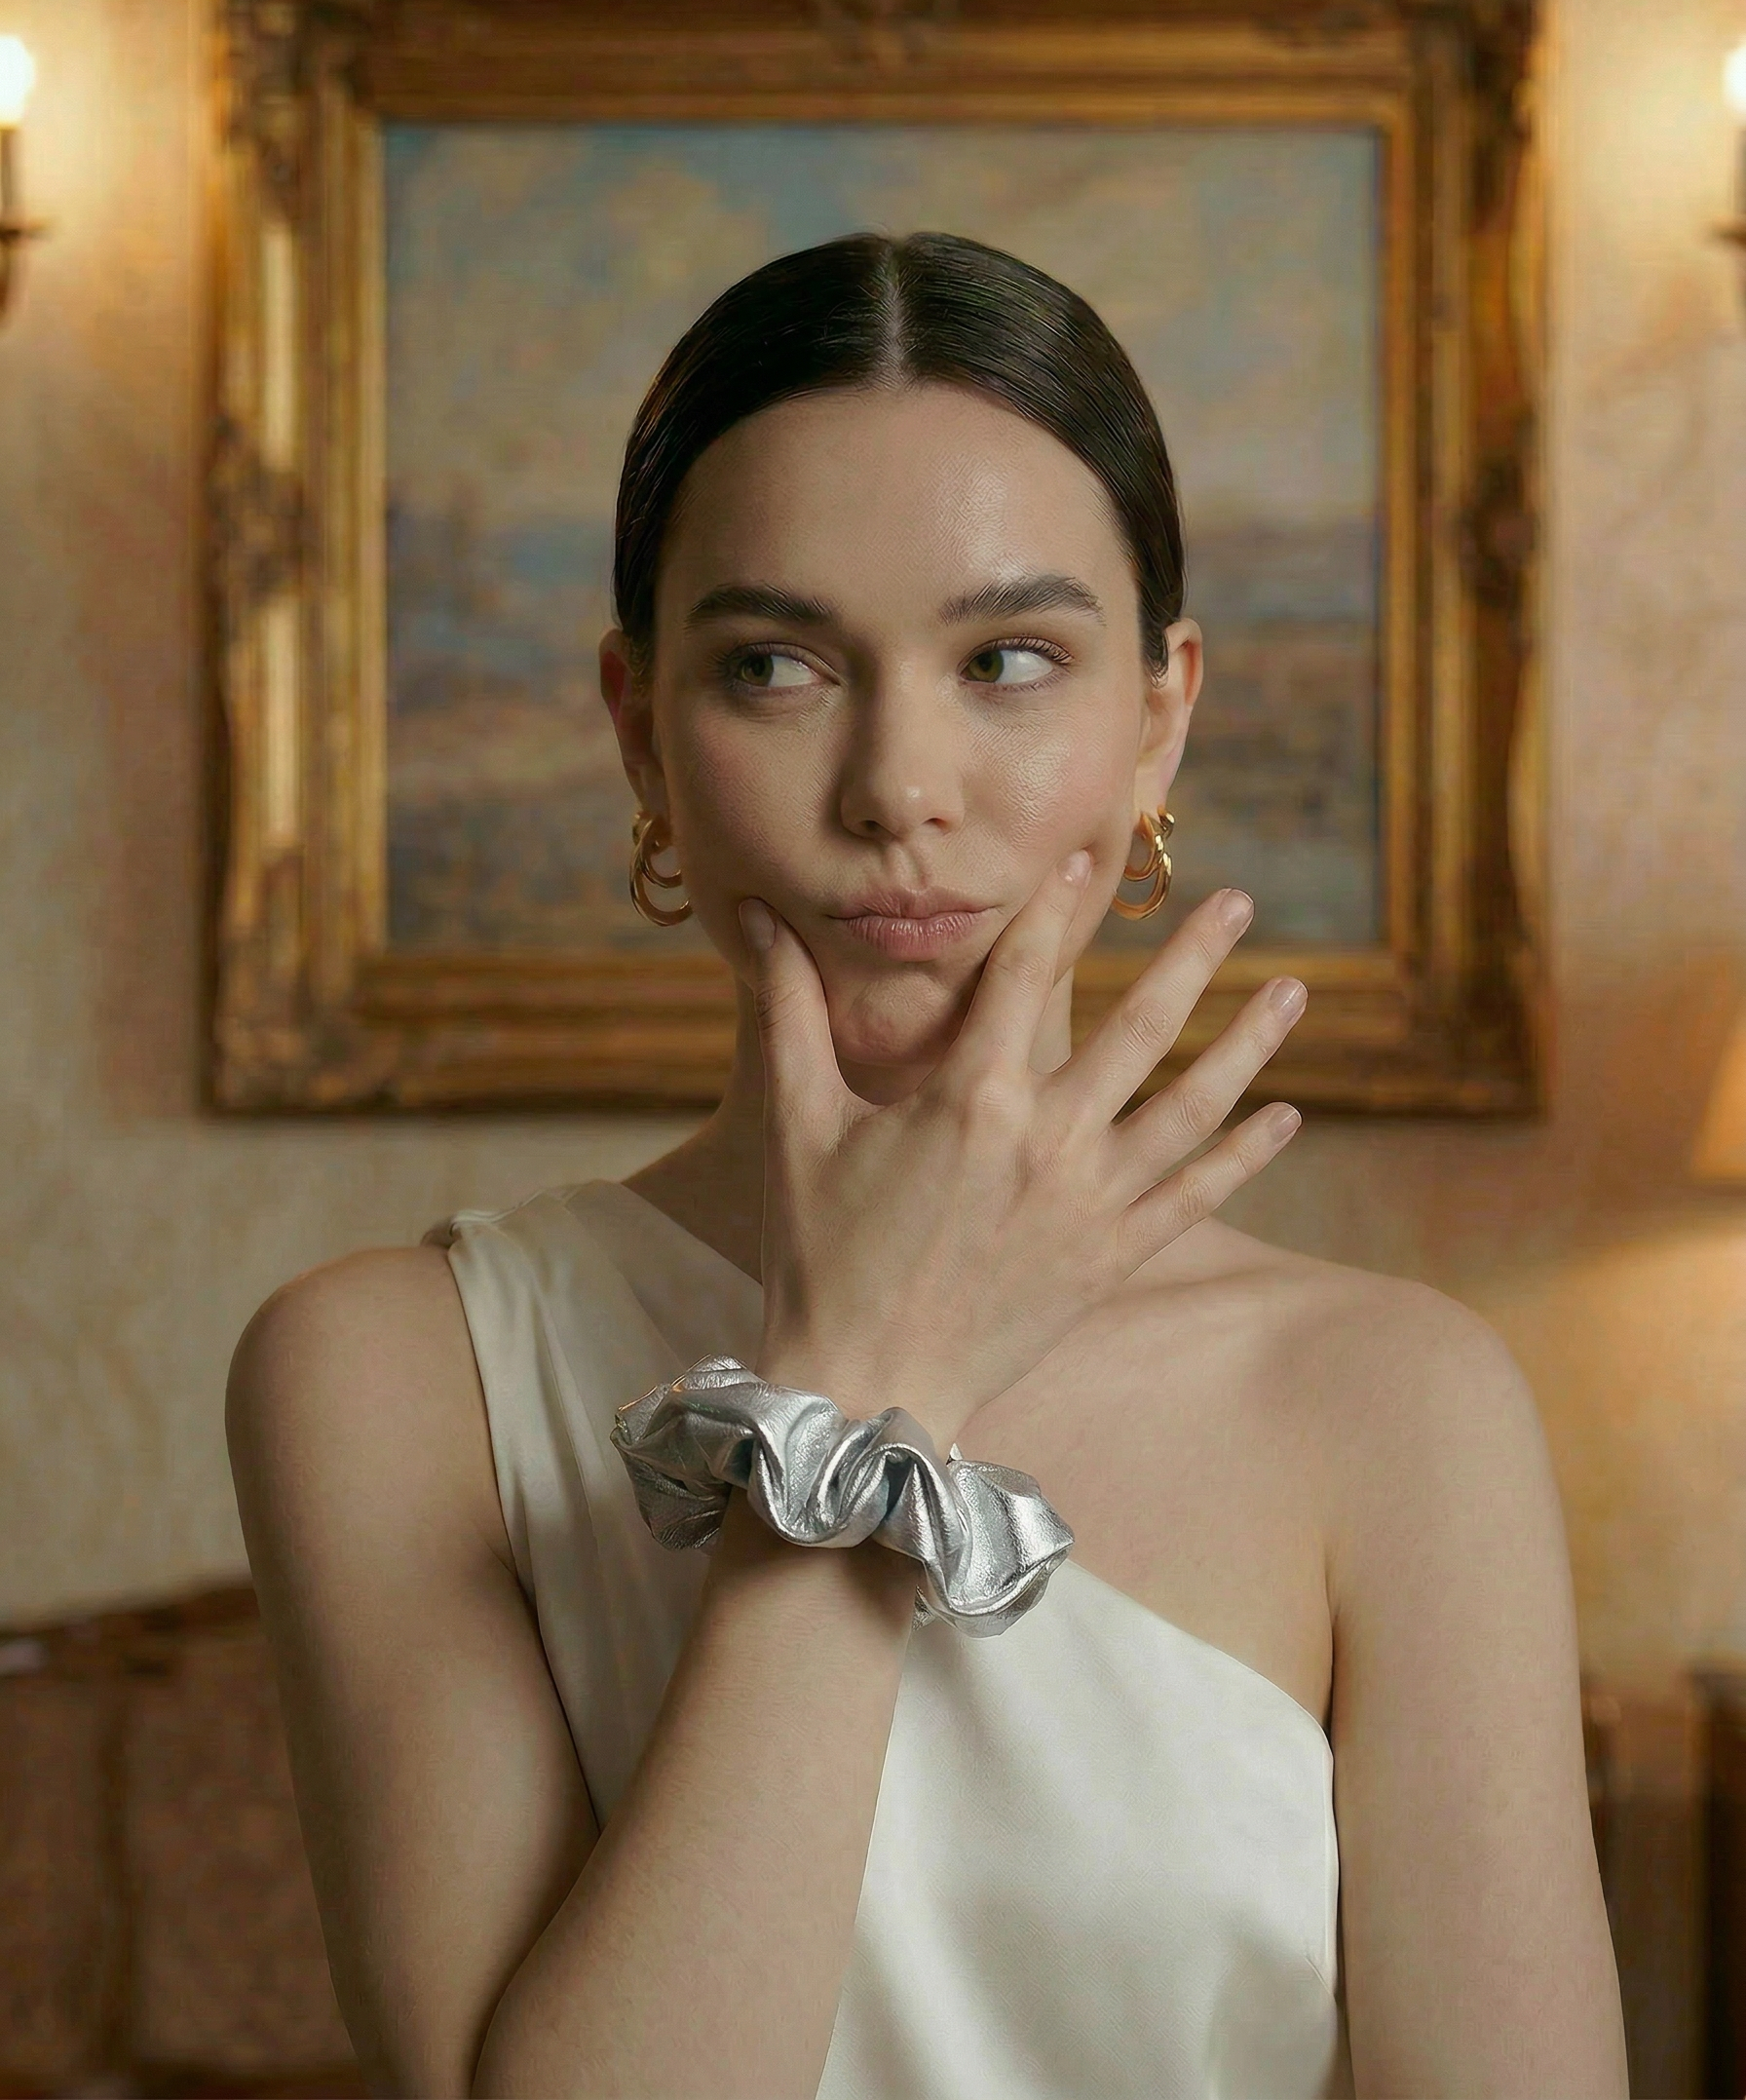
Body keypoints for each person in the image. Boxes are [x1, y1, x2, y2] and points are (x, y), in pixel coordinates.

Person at [227, 232, 1626, 2100]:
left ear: (1160, 716)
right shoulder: (389, 1373)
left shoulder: (1394, 1404)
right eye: (779, 664)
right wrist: (862, 1383)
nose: (901, 783)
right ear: (641, 726)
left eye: (1013, 659)